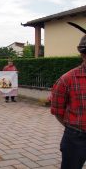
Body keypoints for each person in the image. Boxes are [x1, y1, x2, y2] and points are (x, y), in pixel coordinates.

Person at [51, 22, 86, 169]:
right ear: (83, 54)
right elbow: (58, 111)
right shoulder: (67, 80)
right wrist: (75, 129)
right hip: (75, 139)